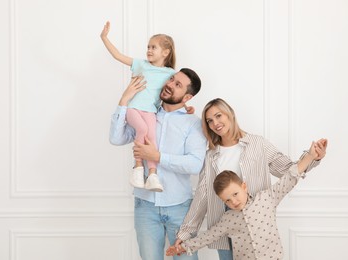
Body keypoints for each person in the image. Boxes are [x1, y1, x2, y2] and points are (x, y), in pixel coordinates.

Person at [174, 98, 328, 260]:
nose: (215, 123)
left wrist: (313, 157)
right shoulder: (210, 155)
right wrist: (185, 233)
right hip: (223, 222)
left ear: (230, 114)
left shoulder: (257, 144)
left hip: (257, 222)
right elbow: (202, 196)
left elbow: (287, 170)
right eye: (209, 121)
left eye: (219, 116)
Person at [109, 69, 207, 260]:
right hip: (145, 206)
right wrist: (124, 100)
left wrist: (157, 156)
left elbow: (195, 164)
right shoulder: (145, 114)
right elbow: (115, 138)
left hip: (180, 208)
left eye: (178, 84)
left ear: (187, 97)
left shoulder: (193, 124)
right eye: (171, 79)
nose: (170, 84)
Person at [101, 21, 176, 192]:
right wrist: (104, 38)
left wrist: (186, 108)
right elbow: (118, 56)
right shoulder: (141, 64)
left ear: (165, 52)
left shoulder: (170, 73)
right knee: (141, 129)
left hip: (150, 111)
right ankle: (137, 168)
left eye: (153, 47)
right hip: (133, 108)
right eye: (148, 47)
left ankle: (152, 174)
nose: (149, 50)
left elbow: (177, 93)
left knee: (152, 139)